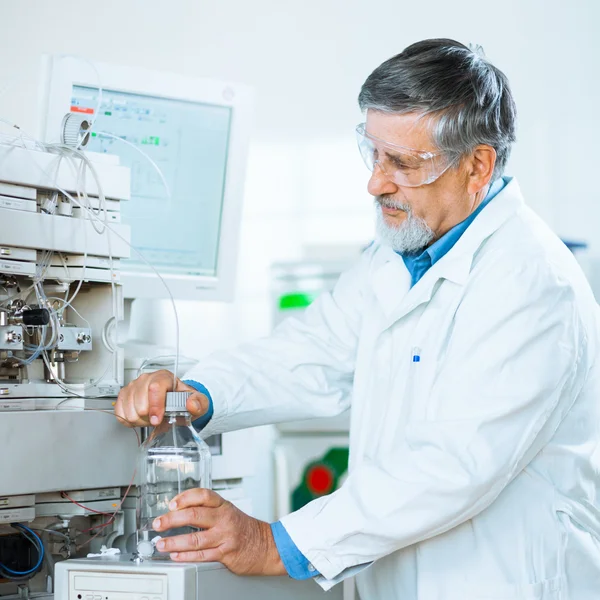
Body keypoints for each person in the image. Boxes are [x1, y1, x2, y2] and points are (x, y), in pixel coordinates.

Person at [115, 38, 600, 598]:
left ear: (477, 165)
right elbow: (310, 354)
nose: (376, 182)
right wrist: (198, 394)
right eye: (373, 154)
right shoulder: (397, 258)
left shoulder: (532, 283)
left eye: (402, 163)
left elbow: (452, 467)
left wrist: (275, 543)